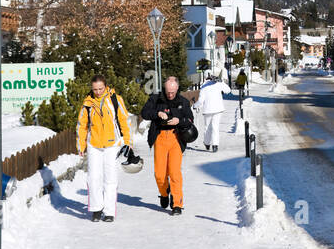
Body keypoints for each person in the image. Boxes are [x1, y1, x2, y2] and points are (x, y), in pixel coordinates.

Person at [77, 75, 133, 223]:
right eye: (95, 89)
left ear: (106, 86)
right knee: (93, 177)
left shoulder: (115, 99)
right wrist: (81, 144)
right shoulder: (87, 103)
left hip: (112, 144)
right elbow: (81, 125)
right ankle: (96, 209)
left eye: (100, 88)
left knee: (110, 178)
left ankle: (109, 211)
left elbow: (124, 120)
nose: (98, 92)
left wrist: (128, 141)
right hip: (94, 144)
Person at [141, 76, 195, 215]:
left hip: (175, 138)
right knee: (160, 174)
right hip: (160, 137)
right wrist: (157, 113)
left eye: (173, 92)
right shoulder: (156, 99)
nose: (170, 94)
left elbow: (189, 119)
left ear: (177, 89)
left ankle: (177, 204)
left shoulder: (183, 102)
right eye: (168, 91)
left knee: (174, 172)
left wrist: (179, 120)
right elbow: (144, 113)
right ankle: (164, 193)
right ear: (165, 89)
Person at [195, 72, 227, 152]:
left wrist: (195, 106)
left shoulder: (204, 87)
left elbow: (200, 101)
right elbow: (228, 90)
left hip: (208, 110)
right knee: (215, 127)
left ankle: (207, 143)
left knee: (207, 128)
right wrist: (221, 82)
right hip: (218, 109)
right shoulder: (218, 84)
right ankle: (215, 145)